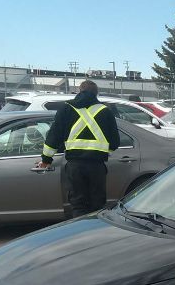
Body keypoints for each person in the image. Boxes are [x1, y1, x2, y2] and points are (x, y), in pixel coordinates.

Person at [35, 80, 120, 217]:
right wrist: (100, 152)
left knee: (78, 204)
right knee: (97, 205)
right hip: (97, 167)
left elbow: (54, 137)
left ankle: (80, 233)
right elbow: (115, 143)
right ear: (96, 93)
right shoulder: (105, 111)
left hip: (75, 167)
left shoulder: (66, 108)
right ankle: (96, 235)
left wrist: (46, 160)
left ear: (79, 91)